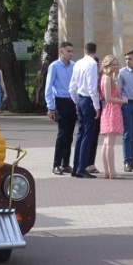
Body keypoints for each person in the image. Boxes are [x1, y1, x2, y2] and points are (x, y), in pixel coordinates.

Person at [44, 42, 77, 175]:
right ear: (61, 52)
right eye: (68, 51)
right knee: (62, 134)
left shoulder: (74, 65)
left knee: (69, 135)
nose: (70, 53)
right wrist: (51, 106)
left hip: (72, 101)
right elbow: (48, 86)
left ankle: (66, 164)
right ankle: (56, 164)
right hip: (60, 101)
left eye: (71, 51)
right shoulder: (54, 66)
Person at [69, 41, 101, 177]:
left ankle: (76, 167)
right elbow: (92, 87)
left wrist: (76, 101)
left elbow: (72, 87)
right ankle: (82, 168)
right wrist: (97, 106)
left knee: (81, 134)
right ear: (95, 51)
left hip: (81, 98)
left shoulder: (78, 63)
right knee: (88, 135)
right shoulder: (92, 64)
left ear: (84, 50)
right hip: (89, 100)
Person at [97, 55, 125, 179]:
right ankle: (111, 171)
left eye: (116, 64)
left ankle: (107, 171)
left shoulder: (105, 78)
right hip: (111, 110)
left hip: (110, 110)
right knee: (110, 143)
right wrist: (123, 100)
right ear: (107, 66)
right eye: (113, 64)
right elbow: (108, 98)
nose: (115, 66)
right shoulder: (107, 78)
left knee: (106, 142)